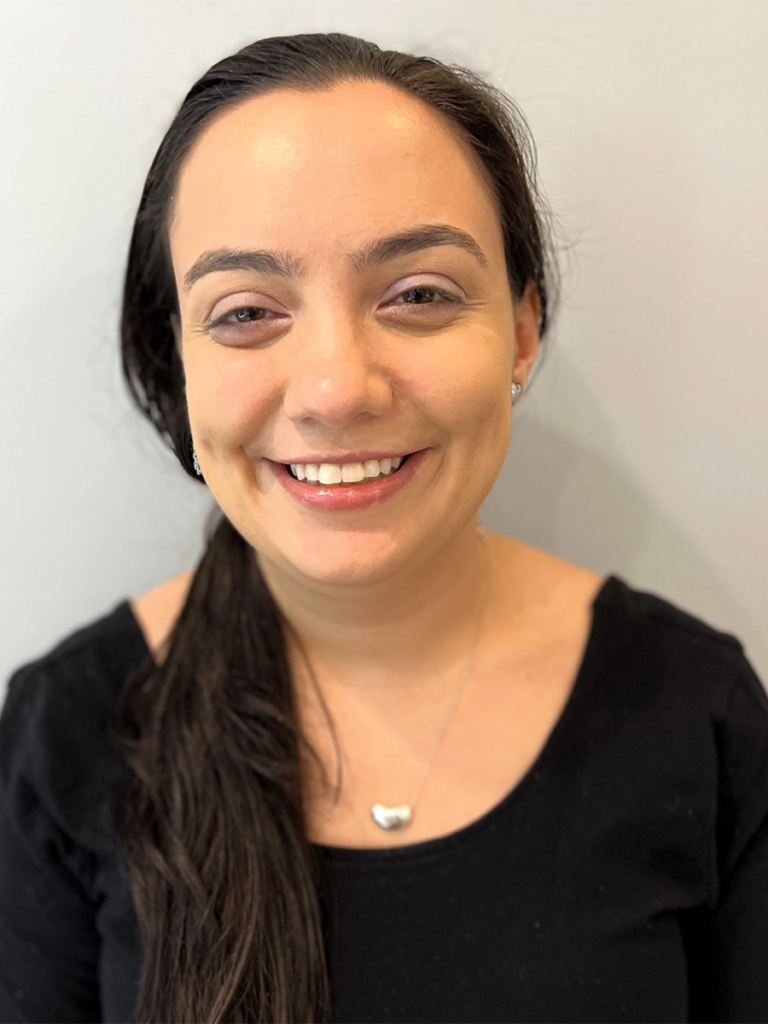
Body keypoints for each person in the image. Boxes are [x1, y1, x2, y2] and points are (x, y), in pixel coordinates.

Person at [1, 31, 766, 1024]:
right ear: (179, 360)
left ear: (523, 333)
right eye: (244, 311)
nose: (335, 389)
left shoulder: (695, 712)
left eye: (417, 295)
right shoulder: (65, 737)